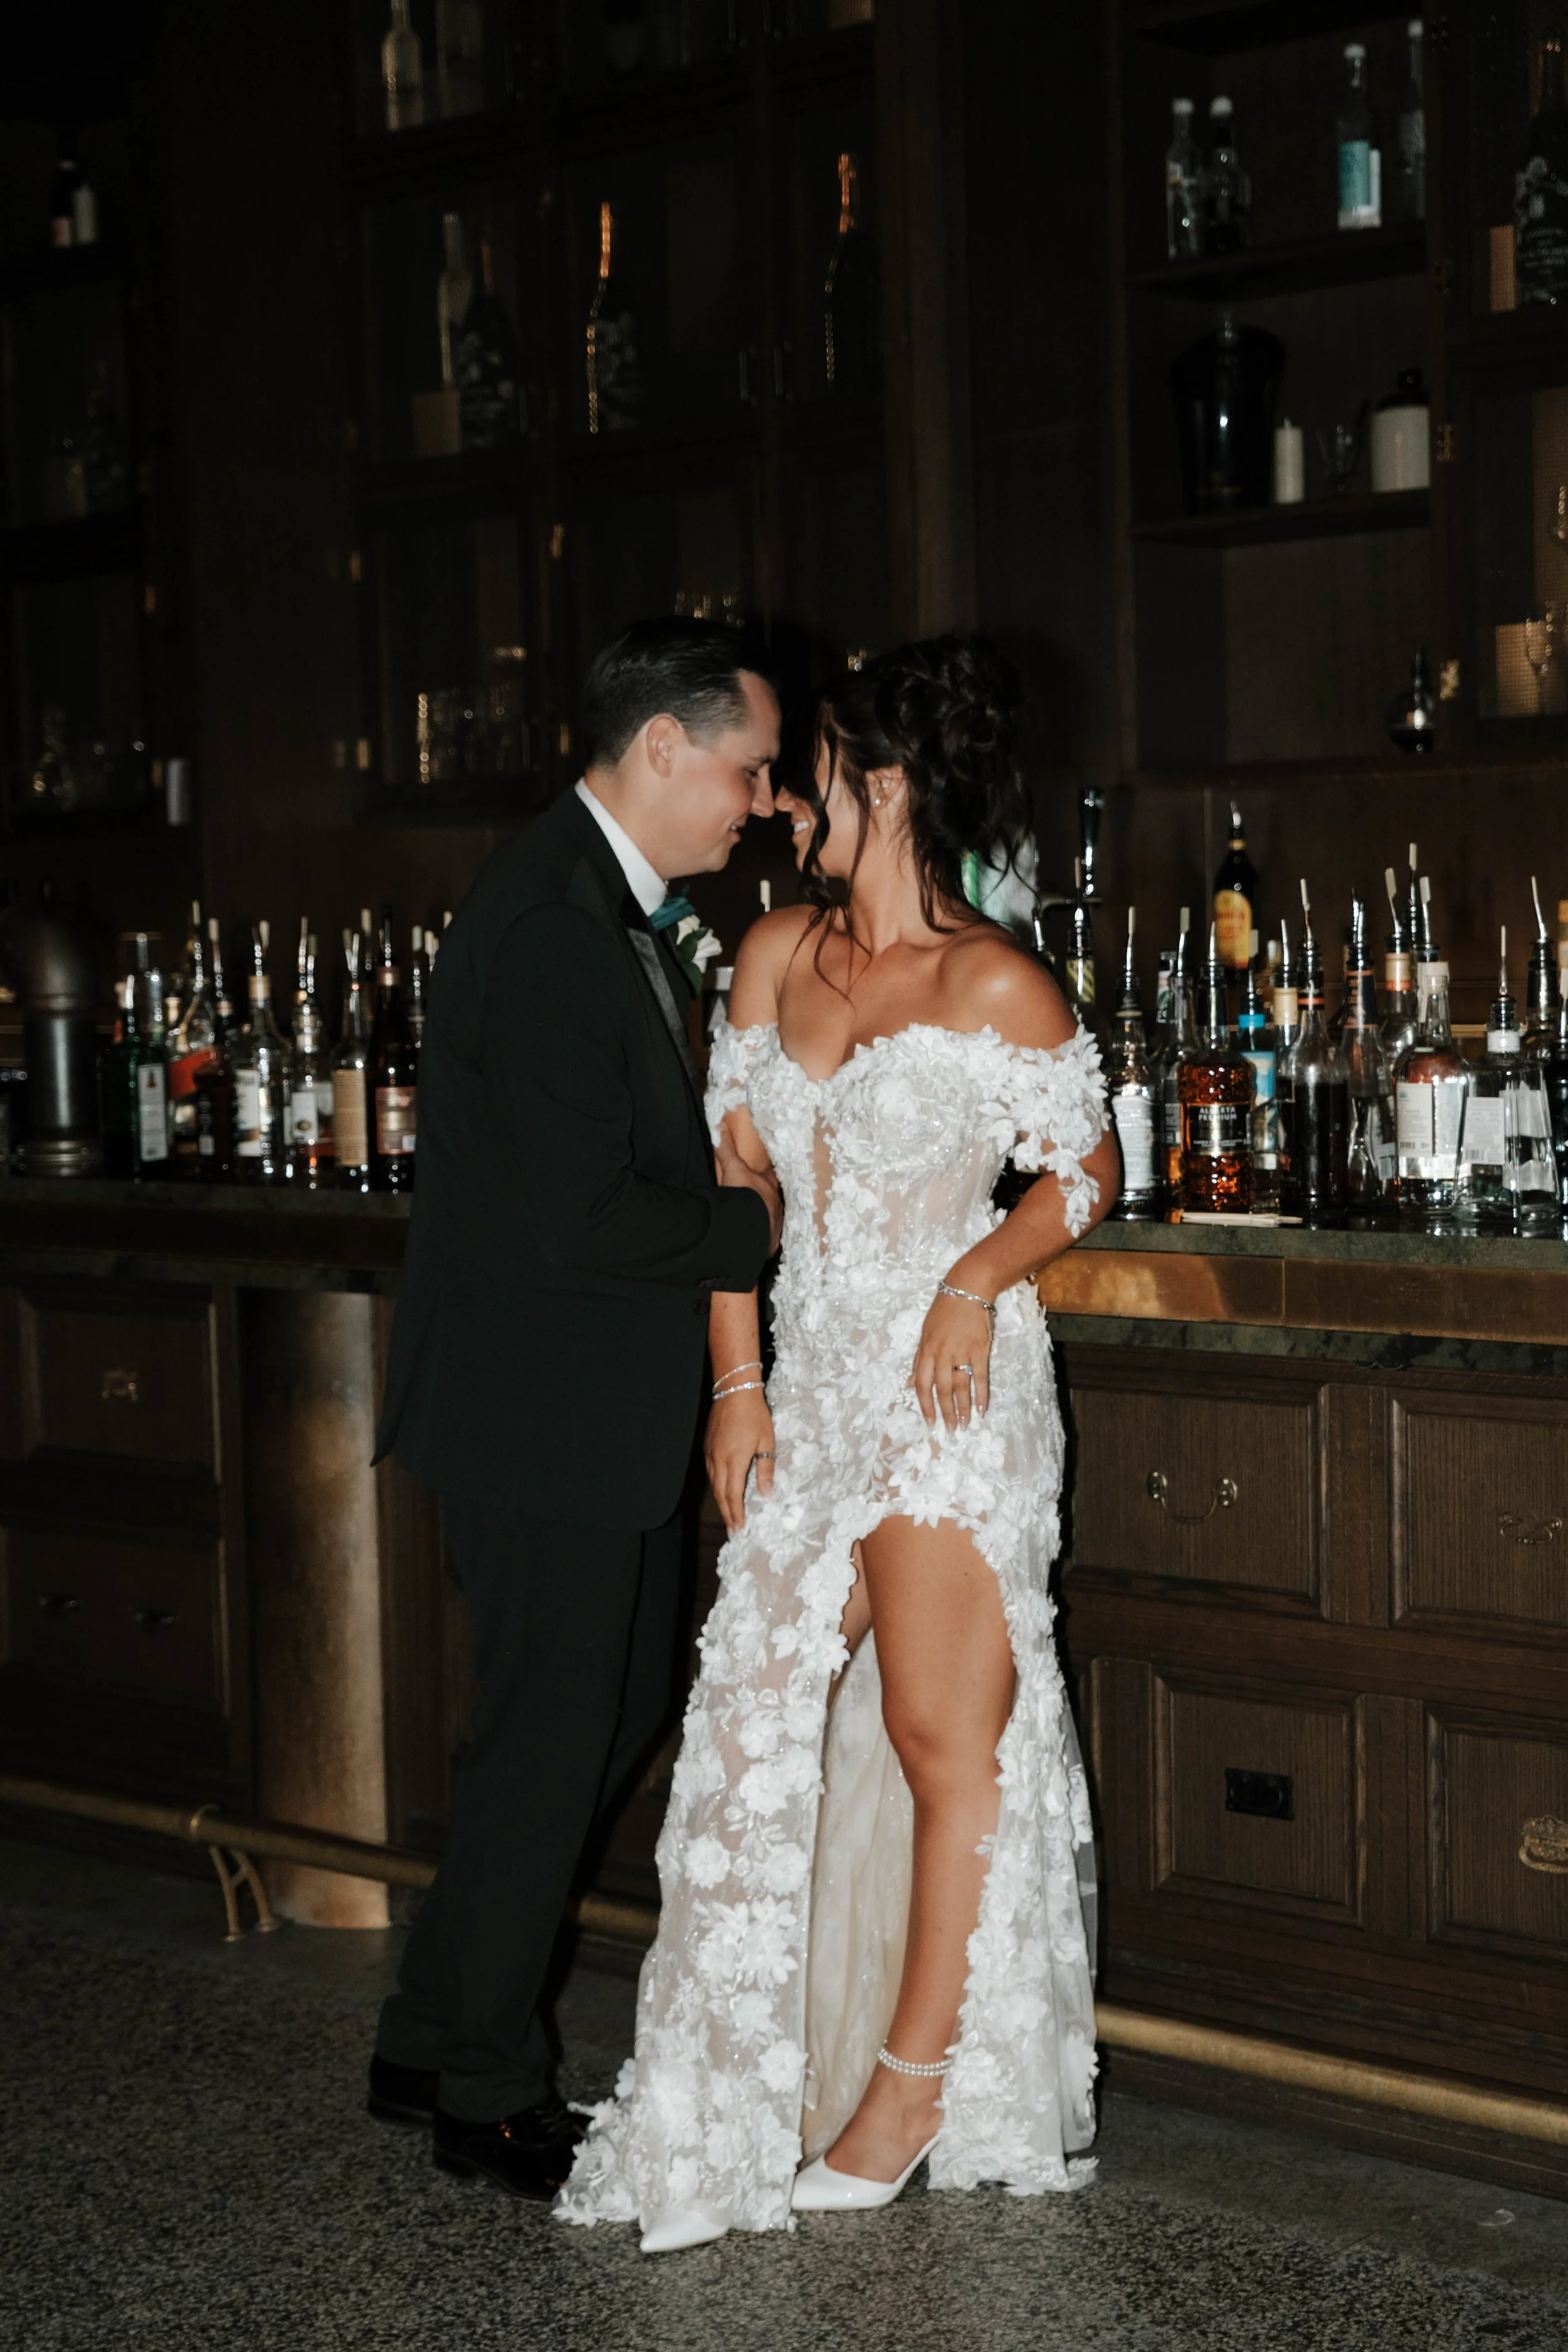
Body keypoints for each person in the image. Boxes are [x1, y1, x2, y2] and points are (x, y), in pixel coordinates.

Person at [559, 634, 1118, 2252]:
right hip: (804, 1390)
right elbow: (738, 1203)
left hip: (948, 1402)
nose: (777, 799)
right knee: (747, 1728)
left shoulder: (997, 980)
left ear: (876, 782)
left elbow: (1084, 1168)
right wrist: (734, 1387)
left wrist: (974, 1273)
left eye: (803, 773)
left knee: (954, 1746)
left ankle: (910, 2086)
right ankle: (721, 2085)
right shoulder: (769, 956)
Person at [367, 619, 784, 2200]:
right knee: (555, 1740)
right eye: (744, 768)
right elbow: (576, 1218)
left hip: (553, 1406)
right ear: (662, 749)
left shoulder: (595, 893)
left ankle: (427, 2028)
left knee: (581, 1725)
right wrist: (761, 1225)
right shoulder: (552, 919)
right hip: (541, 1413)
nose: (755, 801)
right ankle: (483, 2092)